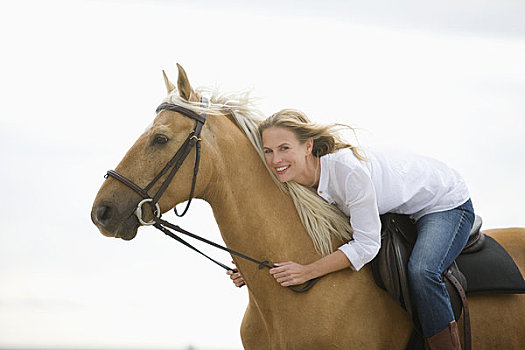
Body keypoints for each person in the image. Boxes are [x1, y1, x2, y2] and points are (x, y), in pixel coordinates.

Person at [227, 109, 474, 349]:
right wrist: (251, 270)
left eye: (284, 148)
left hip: (443, 202)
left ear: (308, 146)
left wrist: (307, 271)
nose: (275, 160)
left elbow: (368, 245)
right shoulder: (291, 180)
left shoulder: (348, 172)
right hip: (398, 205)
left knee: (422, 270)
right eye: (268, 151)